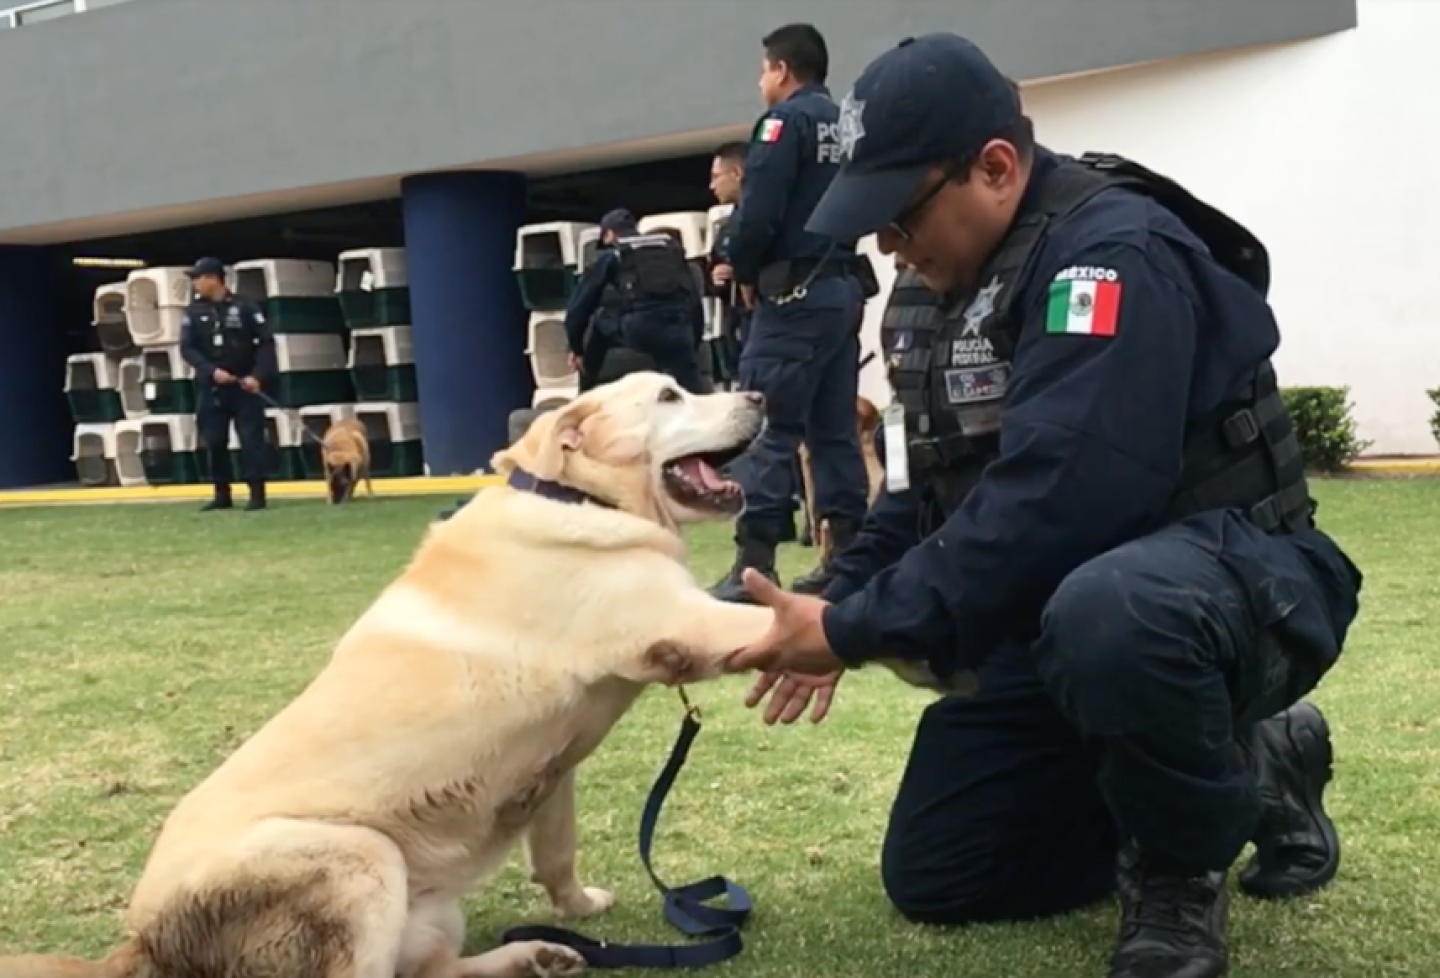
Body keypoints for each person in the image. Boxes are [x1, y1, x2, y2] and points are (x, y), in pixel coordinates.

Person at [723, 33, 1363, 978]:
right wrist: (839, 594)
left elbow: (1067, 494)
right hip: (1075, 620)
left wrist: (857, 630)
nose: (891, 247)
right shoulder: (936, 291)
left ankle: (1180, 871)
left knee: (1117, 609)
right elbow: (920, 481)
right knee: (945, 873)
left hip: (1230, 587)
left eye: (900, 216)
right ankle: (1241, 775)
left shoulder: (1111, 256)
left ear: (995, 167)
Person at [709, 23, 872, 603]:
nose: (761, 82)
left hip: (792, 297)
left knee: (767, 431)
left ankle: (753, 568)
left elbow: (759, 210)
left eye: (763, 70)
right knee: (833, 433)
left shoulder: (783, 124)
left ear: (781, 70)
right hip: (840, 288)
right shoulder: (847, 122)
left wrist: (743, 266)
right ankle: (848, 562)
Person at [563, 208, 707, 395]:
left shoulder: (614, 254)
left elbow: (579, 307)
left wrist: (576, 348)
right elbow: (693, 297)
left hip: (641, 329)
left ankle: (587, 389)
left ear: (609, 234)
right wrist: (693, 339)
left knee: (600, 320)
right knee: (690, 386)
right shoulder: (669, 249)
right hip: (679, 329)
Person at [179, 257, 276, 512]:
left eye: (198, 278)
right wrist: (211, 371)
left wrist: (257, 376)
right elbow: (188, 348)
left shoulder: (245, 307)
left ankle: (257, 493)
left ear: (213, 278)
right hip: (212, 387)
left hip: (245, 386)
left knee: (251, 440)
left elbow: (266, 344)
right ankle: (222, 493)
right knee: (214, 441)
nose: (195, 284)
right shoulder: (193, 311)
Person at [707, 141, 750, 387]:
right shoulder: (726, 228)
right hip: (734, 327)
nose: (712, 186)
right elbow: (711, 272)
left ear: (736, 173)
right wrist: (717, 279)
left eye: (716, 177)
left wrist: (745, 271)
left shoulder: (769, 216)